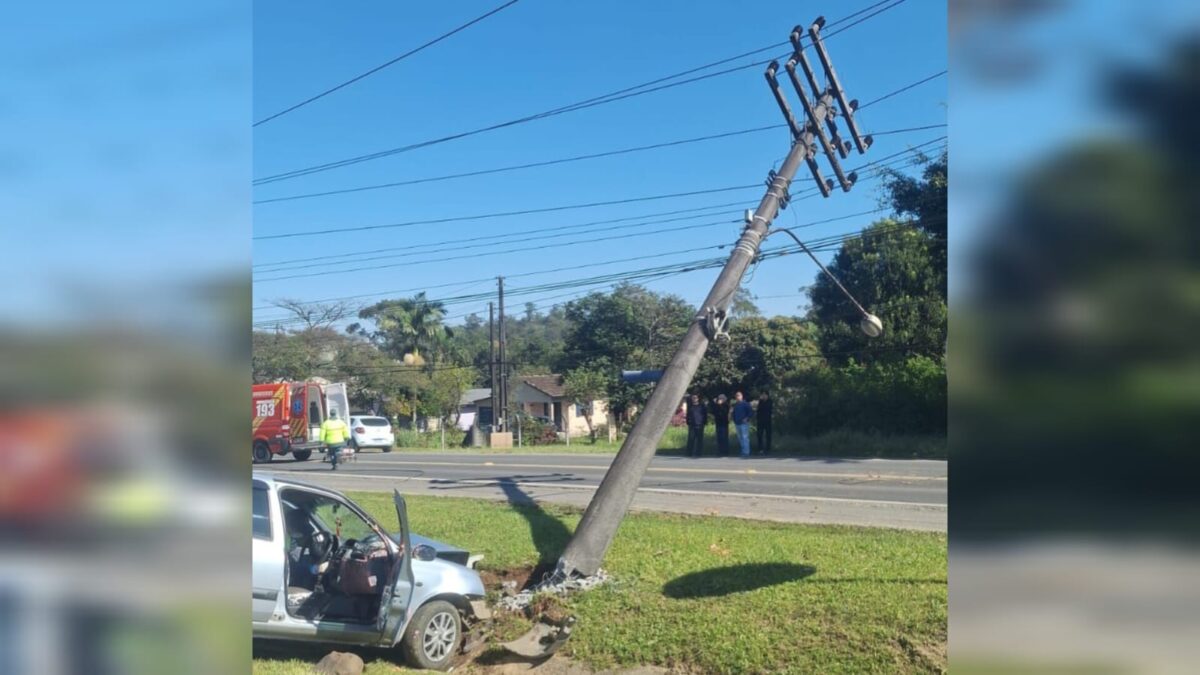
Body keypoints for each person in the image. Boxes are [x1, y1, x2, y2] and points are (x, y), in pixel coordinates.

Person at [731, 391, 753, 458]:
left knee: (745, 437)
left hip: (744, 424)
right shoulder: (736, 405)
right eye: (736, 396)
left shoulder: (746, 404)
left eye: (739, 396)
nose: (737, 397)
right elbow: (733, 413)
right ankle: (743, 451)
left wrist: (747, 418)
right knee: (740, 438)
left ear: (742, 396)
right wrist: (734, 420)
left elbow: (751, 412)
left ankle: (746, 452)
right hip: (737, 423)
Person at [685, 393, 708, 458]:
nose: (694, 399)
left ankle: (699, 453)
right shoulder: (690, 406)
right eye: (693, 398)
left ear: (698, 399)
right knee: (691, 439)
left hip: (700, 425)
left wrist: (704, 422)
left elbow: (705, 414)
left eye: (695, 398)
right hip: (692, 425)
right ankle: (689, 453)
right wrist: (688, 422)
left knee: (699, 440)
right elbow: (688, 415)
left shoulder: (701, 406)